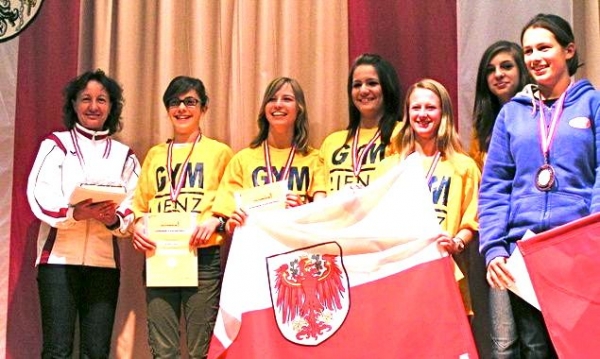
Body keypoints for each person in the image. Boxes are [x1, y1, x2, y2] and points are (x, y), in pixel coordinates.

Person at [479, 13, 600, 358]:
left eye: (544, 47)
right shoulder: (512, 114)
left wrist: (590, 240)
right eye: (528, 50)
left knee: (580, 348)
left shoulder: (594, 103)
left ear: (569, 50)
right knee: (534, 351)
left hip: (577, 251)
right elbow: (495, 186)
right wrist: (494, 249)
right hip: (524, 252)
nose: (535, 57)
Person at [26, 69, 140, 358]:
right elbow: (39, 195)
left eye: (102, 99)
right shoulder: (56, 144)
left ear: (112, 107)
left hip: (104, 265)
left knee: (97, 351)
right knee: (57, 349)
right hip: (58, 261)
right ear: (74, 104)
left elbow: (134, 204)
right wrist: (75, 213)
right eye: (86, 98)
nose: (93, 106)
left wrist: (113, 219)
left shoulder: (124, 155)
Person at [131, 76, 233, 358]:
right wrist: (138, 226)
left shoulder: (219, 152)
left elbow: (230, 204)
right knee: (163, 349)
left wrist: (217, 221)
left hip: (203, 255)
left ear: (204, 108)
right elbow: (140, 206)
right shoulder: (154, 155)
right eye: (175, 102)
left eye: (190, 102)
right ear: (167, 108)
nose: (182, 108)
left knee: (203, 348)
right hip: (159, 255)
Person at [380, 78, 480, 315]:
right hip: (400, 279)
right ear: (407, 113)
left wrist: (456, 243)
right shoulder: (389, 167)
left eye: (430, 107)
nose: (422, 114)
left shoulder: (464, 167)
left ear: (443, 113)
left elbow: (473, 221)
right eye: (416, 107)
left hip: (445, 278)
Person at [471, 40, 531, 358]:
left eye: (506, 66)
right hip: (497, 242)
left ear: (522, 69)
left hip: (532, 235)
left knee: (537, 338)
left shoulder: (539, 115)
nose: (498, 75)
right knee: (503, 340)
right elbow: (488, 188)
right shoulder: (482, 128)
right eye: (490, 70)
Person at [212, 77, 326, 233]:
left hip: (298, 249)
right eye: (271, 99)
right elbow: (225, 220)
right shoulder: (242, 160)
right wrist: (231, 225)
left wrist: (302, 211)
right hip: (254, 249)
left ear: (299, 108)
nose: (278, 104)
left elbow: (322, 216)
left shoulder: (315, 159)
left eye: (287, 99)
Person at [319, 53, 401, 193]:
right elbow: (321, 199)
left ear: (387, 88)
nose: (363, 90)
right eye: (357, 85)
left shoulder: (403, 134)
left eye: (372, 83)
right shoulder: (331, 142)